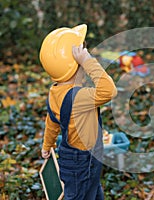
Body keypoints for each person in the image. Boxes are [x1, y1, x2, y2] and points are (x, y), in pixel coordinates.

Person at [40, 24, 117, 199]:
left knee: (92, 191)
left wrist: (47, 145)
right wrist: (88, 61)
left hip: (74, 158)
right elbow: (109, 90)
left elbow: (51, 123)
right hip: (84, 161)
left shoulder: (54, 92)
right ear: (77, 65)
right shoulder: (81, 97)